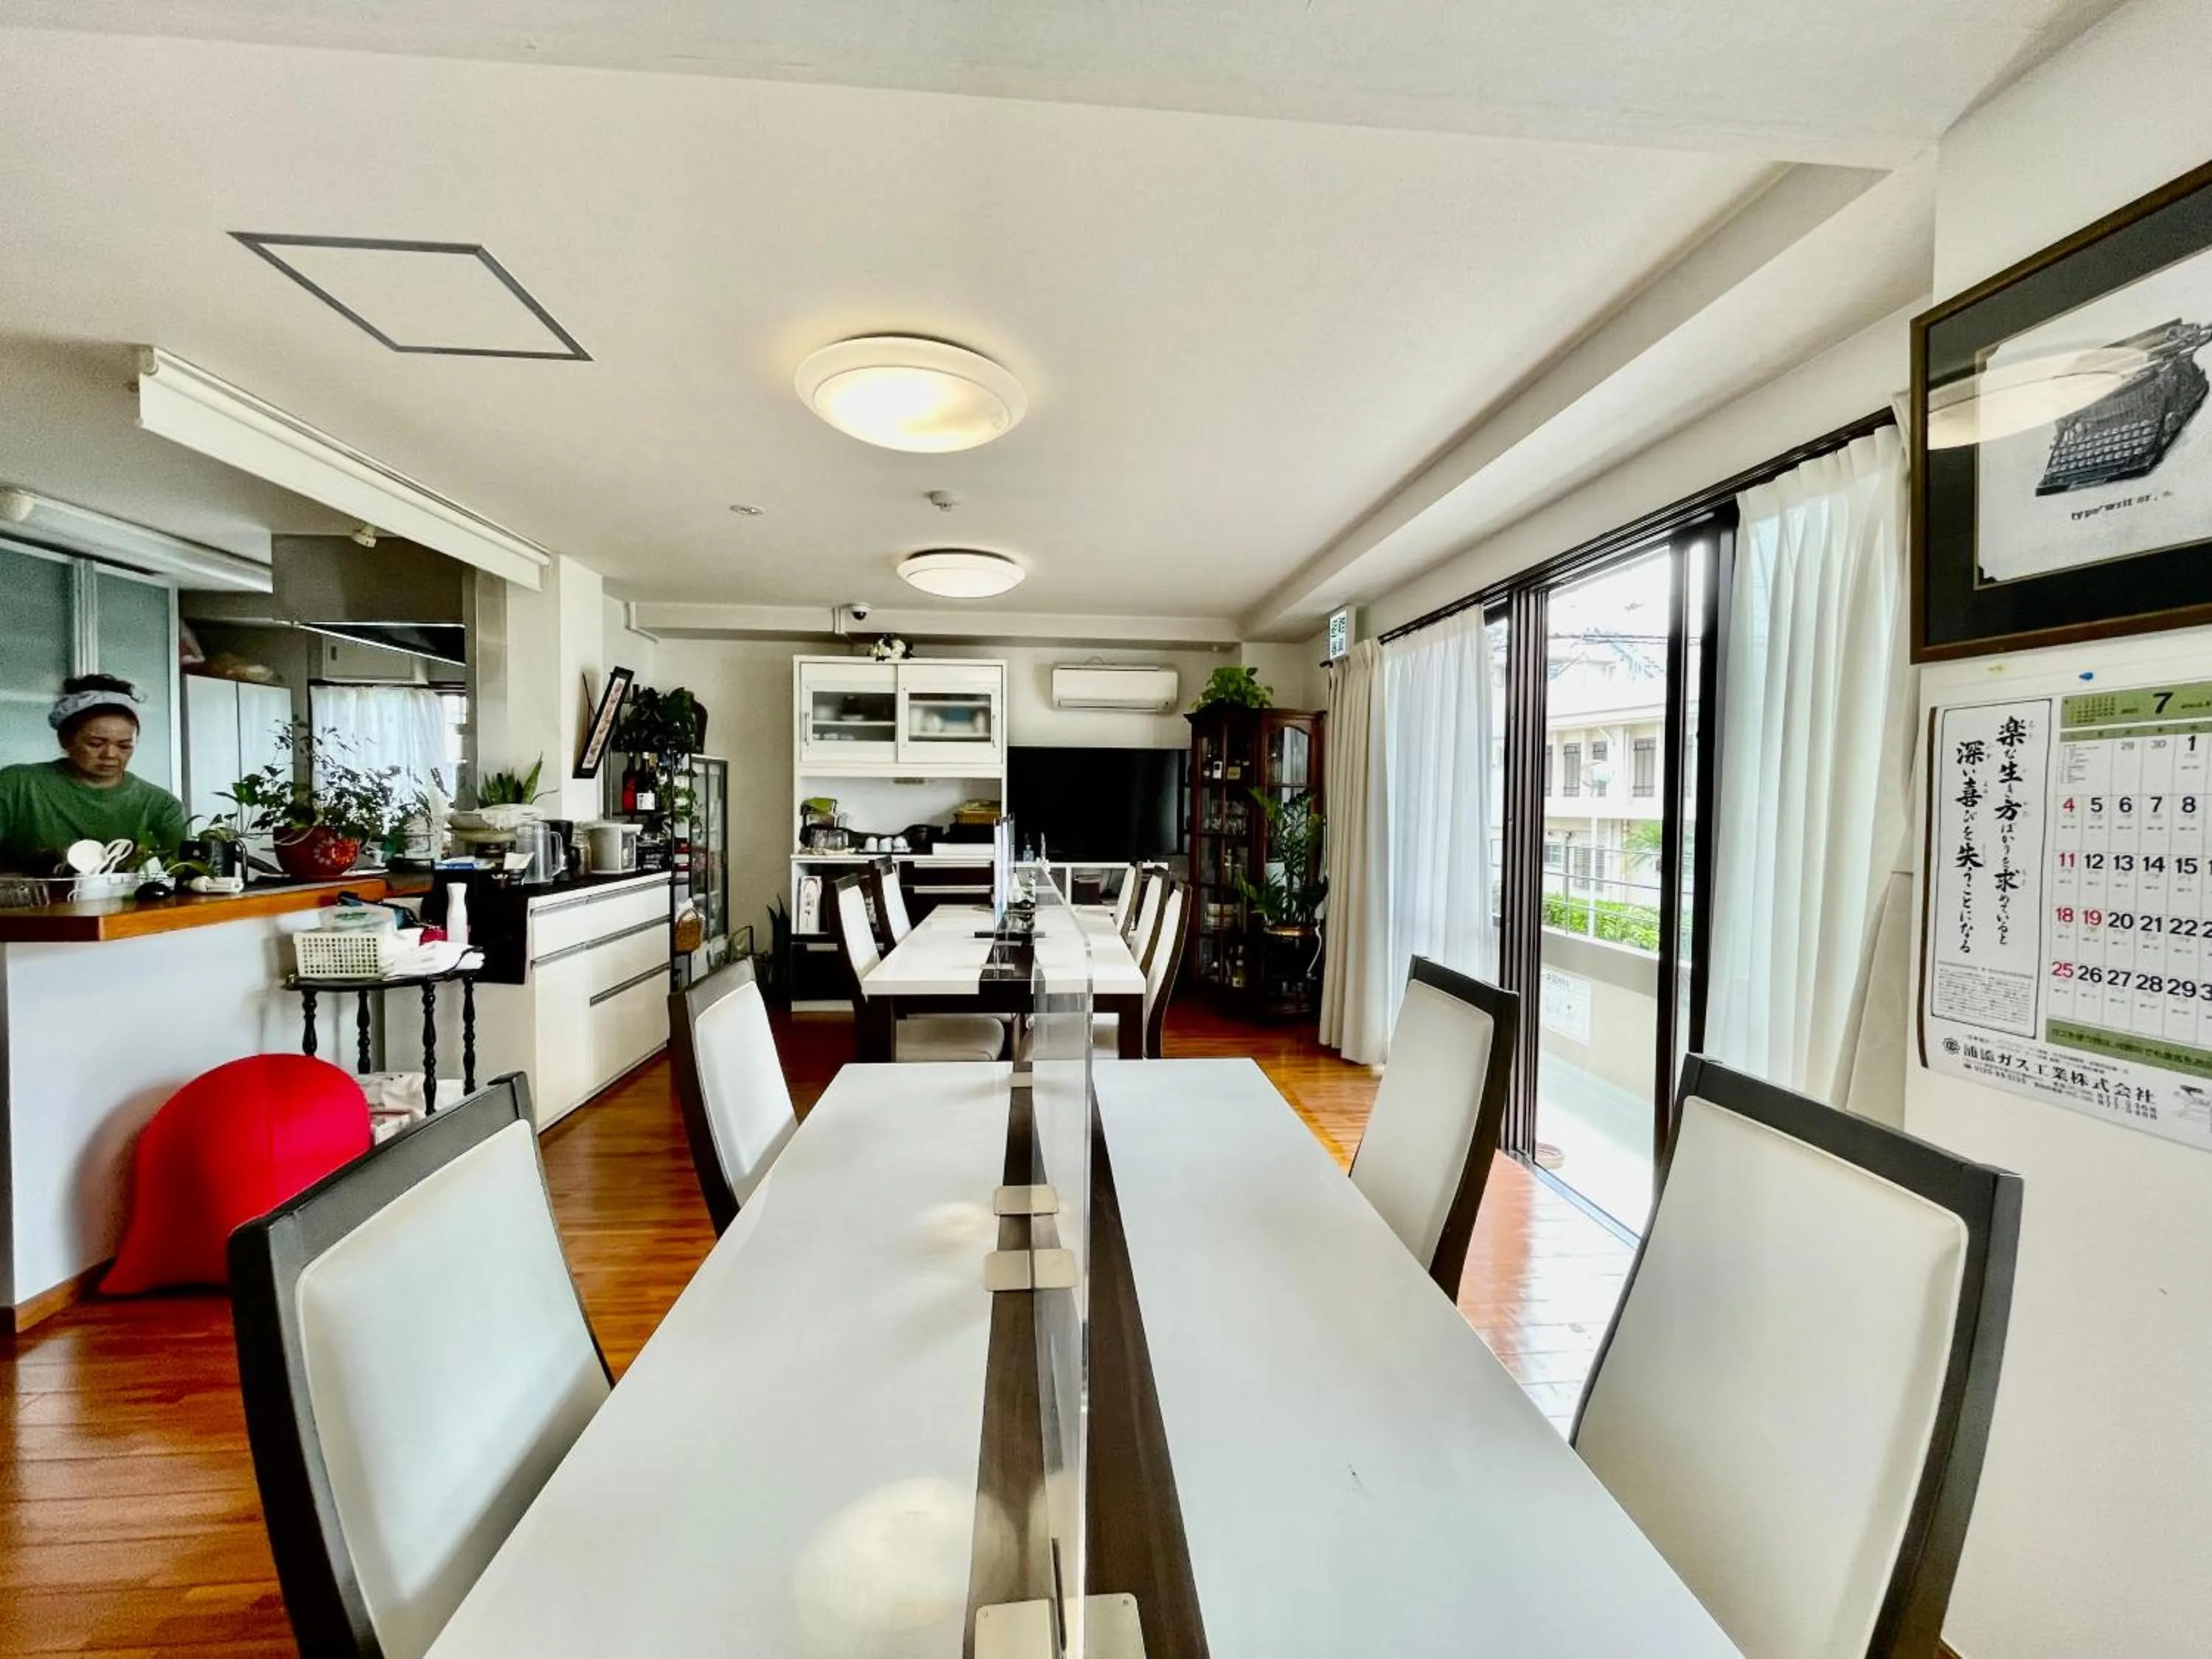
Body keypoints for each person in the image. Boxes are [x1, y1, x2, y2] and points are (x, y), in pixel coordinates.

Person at [0, 674, 187, 874]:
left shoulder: (160, 806)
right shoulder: (18, 785)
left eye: (124, 746)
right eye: (96, 744)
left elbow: (181, 877)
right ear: (65, 740)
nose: (110, 755)